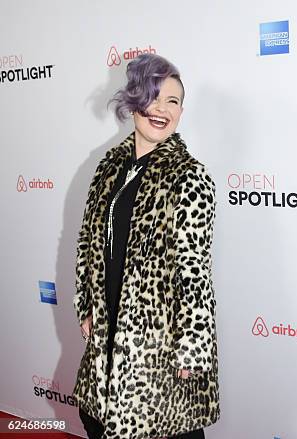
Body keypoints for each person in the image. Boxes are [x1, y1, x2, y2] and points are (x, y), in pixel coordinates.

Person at [72, 54, 219, 439]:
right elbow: (89, 242)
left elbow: (194, 271)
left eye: (173, 102)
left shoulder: (188, 177)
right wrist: (87, 304)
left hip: (158, 342)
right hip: (107, 333)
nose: (162, 109)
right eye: (154, 97)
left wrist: (192, 345)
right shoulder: (108, 167)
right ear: (134, 100)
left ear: (182, 112)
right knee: (99, 421)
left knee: (163, 430)